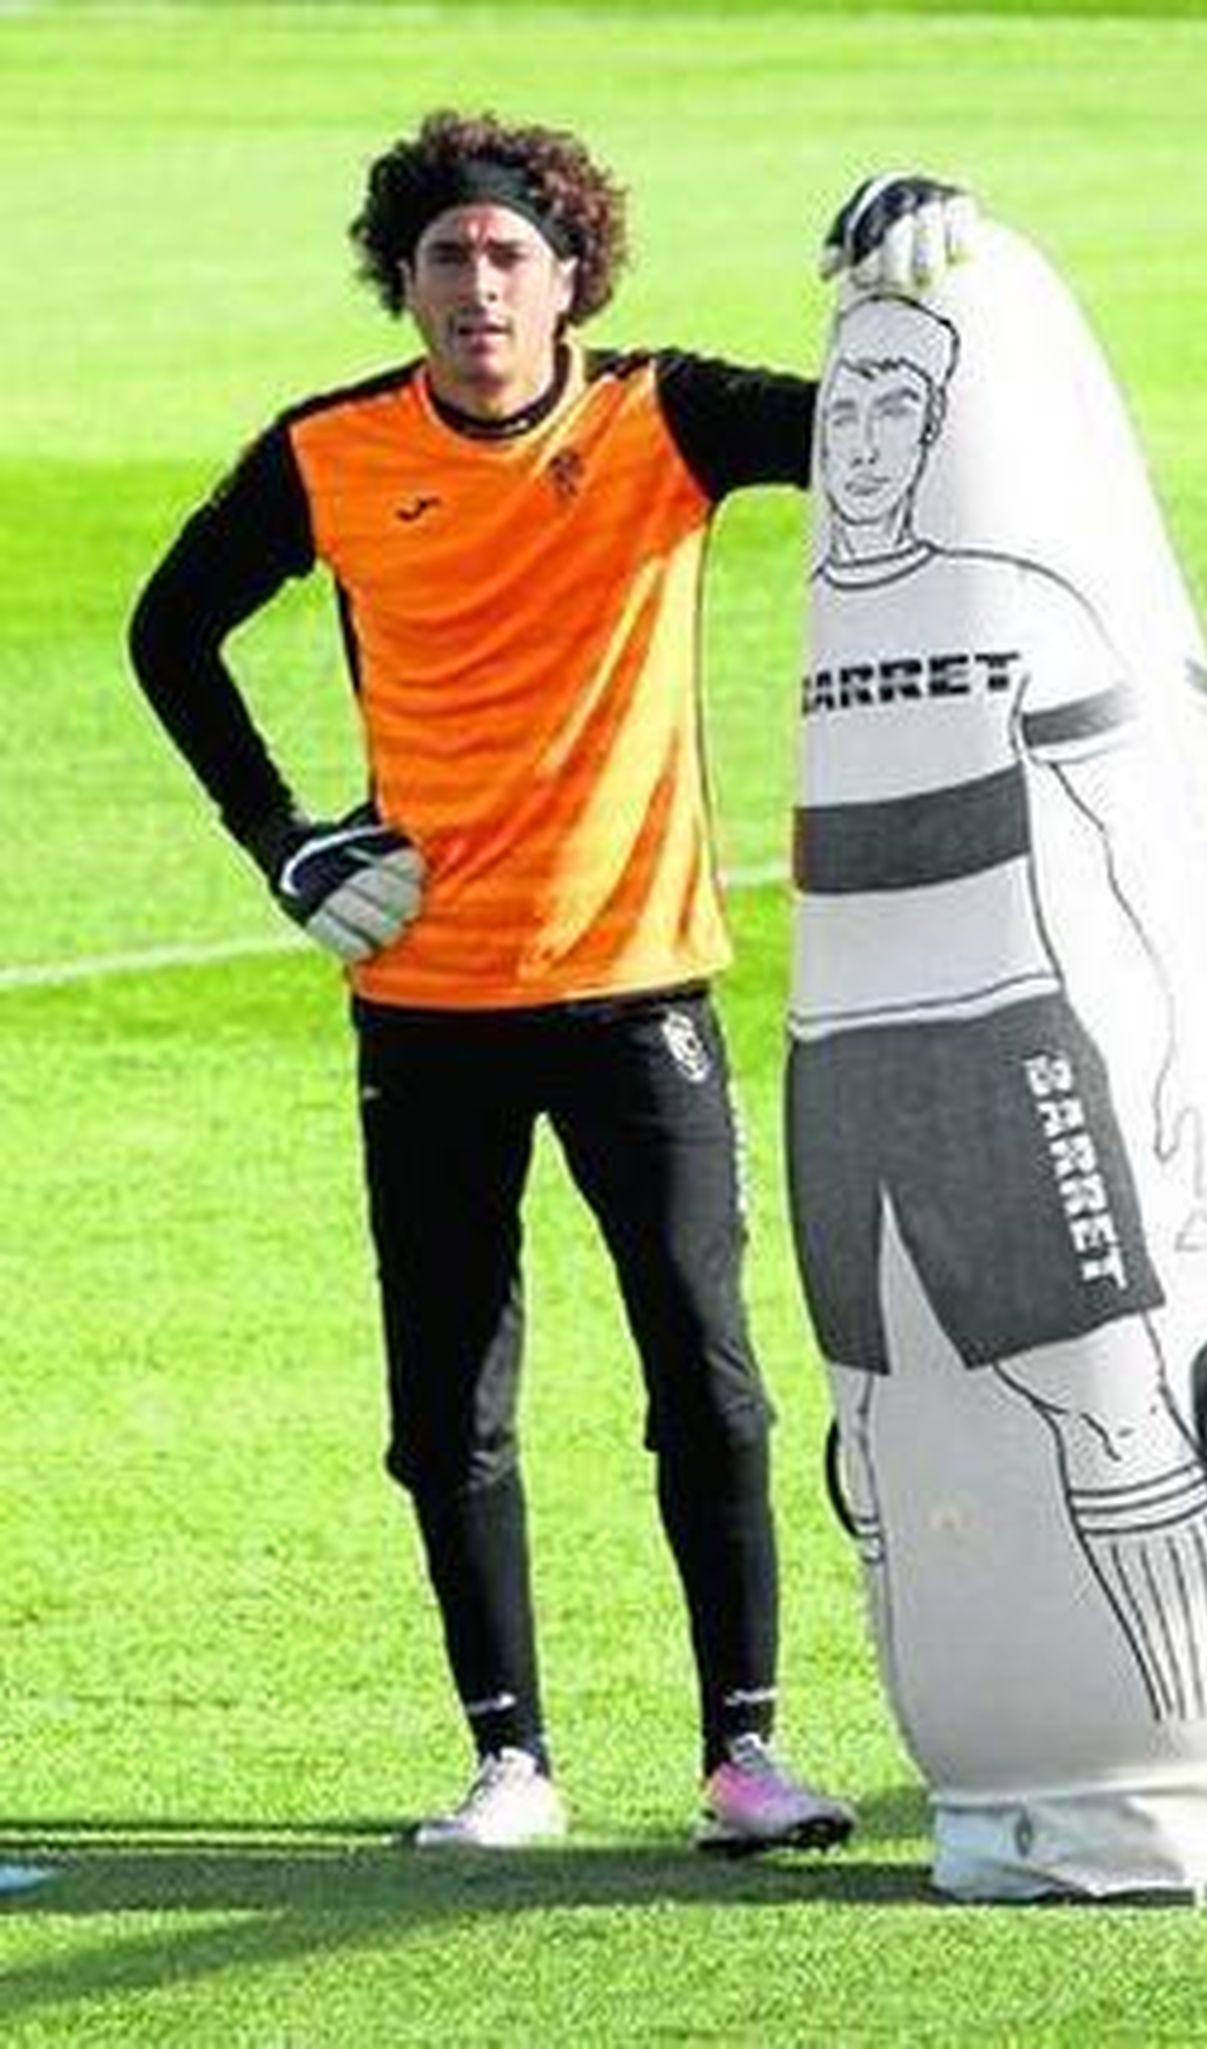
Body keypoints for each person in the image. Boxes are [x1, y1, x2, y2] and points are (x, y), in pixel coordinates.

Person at [127, 111, 972, 1853]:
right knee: (447, 1398)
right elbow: (169, 628)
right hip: (426, 997)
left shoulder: (660, 419)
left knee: (707, 1372)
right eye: (446, 256)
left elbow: (904, 434)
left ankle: (745, 1756)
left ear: (573, 274)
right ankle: (510, 1759)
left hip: (638, 984)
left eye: (510, 253)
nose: (478, 284)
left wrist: (931, 269)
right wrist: (285, 839)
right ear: (405, 283)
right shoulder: (333, 452)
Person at [790, 294, 1207, 1721]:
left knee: (1106, 1400)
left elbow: (1136, 830)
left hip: (996, 1045)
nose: (863, 442)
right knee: (871, 1431)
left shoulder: (1020, 606)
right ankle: (958, 1743)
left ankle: (1198, 1747)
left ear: (938, 432)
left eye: (893, 411)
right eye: (842, 409)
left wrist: (1195, 1033)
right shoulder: (812, 627)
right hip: (832, 1066)